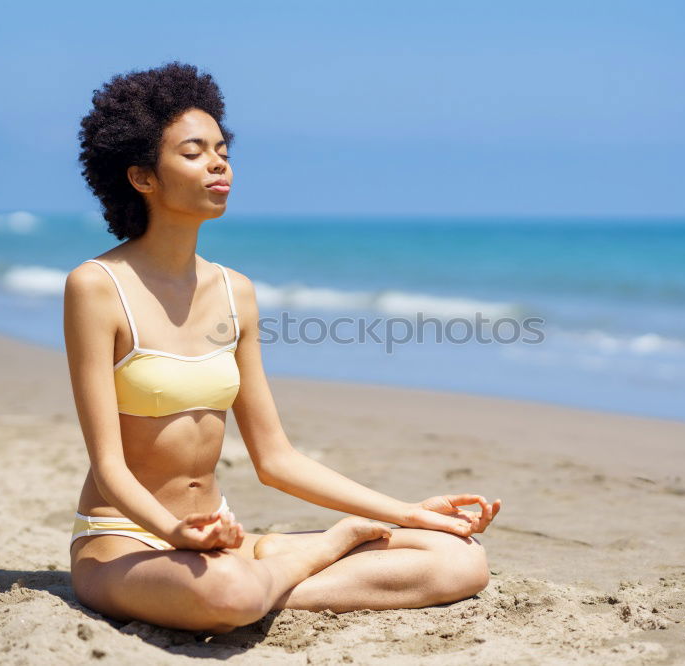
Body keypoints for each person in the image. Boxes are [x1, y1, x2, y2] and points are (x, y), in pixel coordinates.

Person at [66, 61, 502, 634]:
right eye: (194, 152)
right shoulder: (97, 288)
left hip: (221, 537)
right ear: (144, 177)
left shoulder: (235, 292)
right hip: (126, 542)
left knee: (459, 561)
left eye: (222, 149)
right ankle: (308, 557)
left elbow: (275, 460)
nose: (219, 162)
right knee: (224, 594)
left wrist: (408, 512)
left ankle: (267, 580)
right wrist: (173, 533)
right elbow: (110, 466)